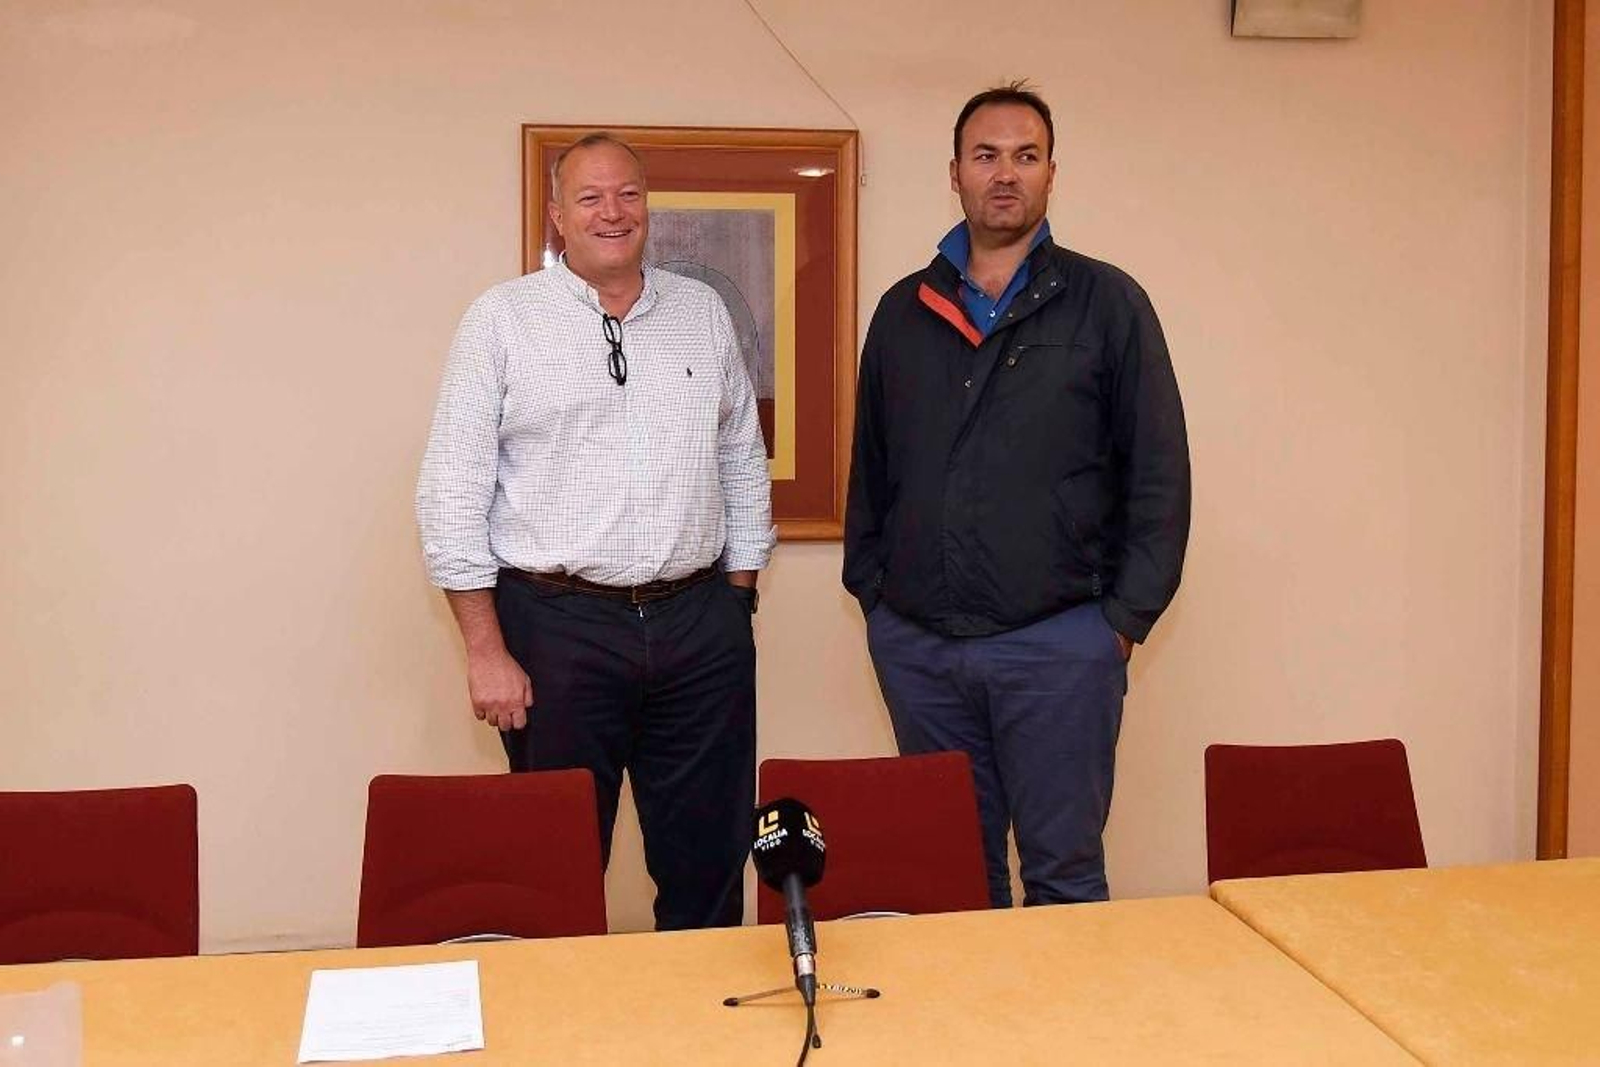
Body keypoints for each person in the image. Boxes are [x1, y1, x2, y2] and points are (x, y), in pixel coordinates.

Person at [842, 83, 1190, 907]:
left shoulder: (1108, 304)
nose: (1006, 174)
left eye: (1025, 156)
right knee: (954, 881)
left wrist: (1118, 626)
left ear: (1051, 174)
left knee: (1065, 879)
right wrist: (879, 602)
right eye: (987, 155)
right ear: (954, 174)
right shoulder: (902, 311)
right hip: (922, 652)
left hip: (1061, 646)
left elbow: (1159, 475)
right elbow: (873, 472)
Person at [416, 132, 774, 930]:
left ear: (648, 208)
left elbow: (742, 458)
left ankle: (703, 1035)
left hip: (699, 626)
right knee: (553, 869)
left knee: (709, 862)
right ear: (557, 218)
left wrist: (736, 601)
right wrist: (485, 649)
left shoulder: (701, 311)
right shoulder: (502, 320)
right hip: (556, 629)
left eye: (628, 195)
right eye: (589, 198)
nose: (612, 213)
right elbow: (451, 493)